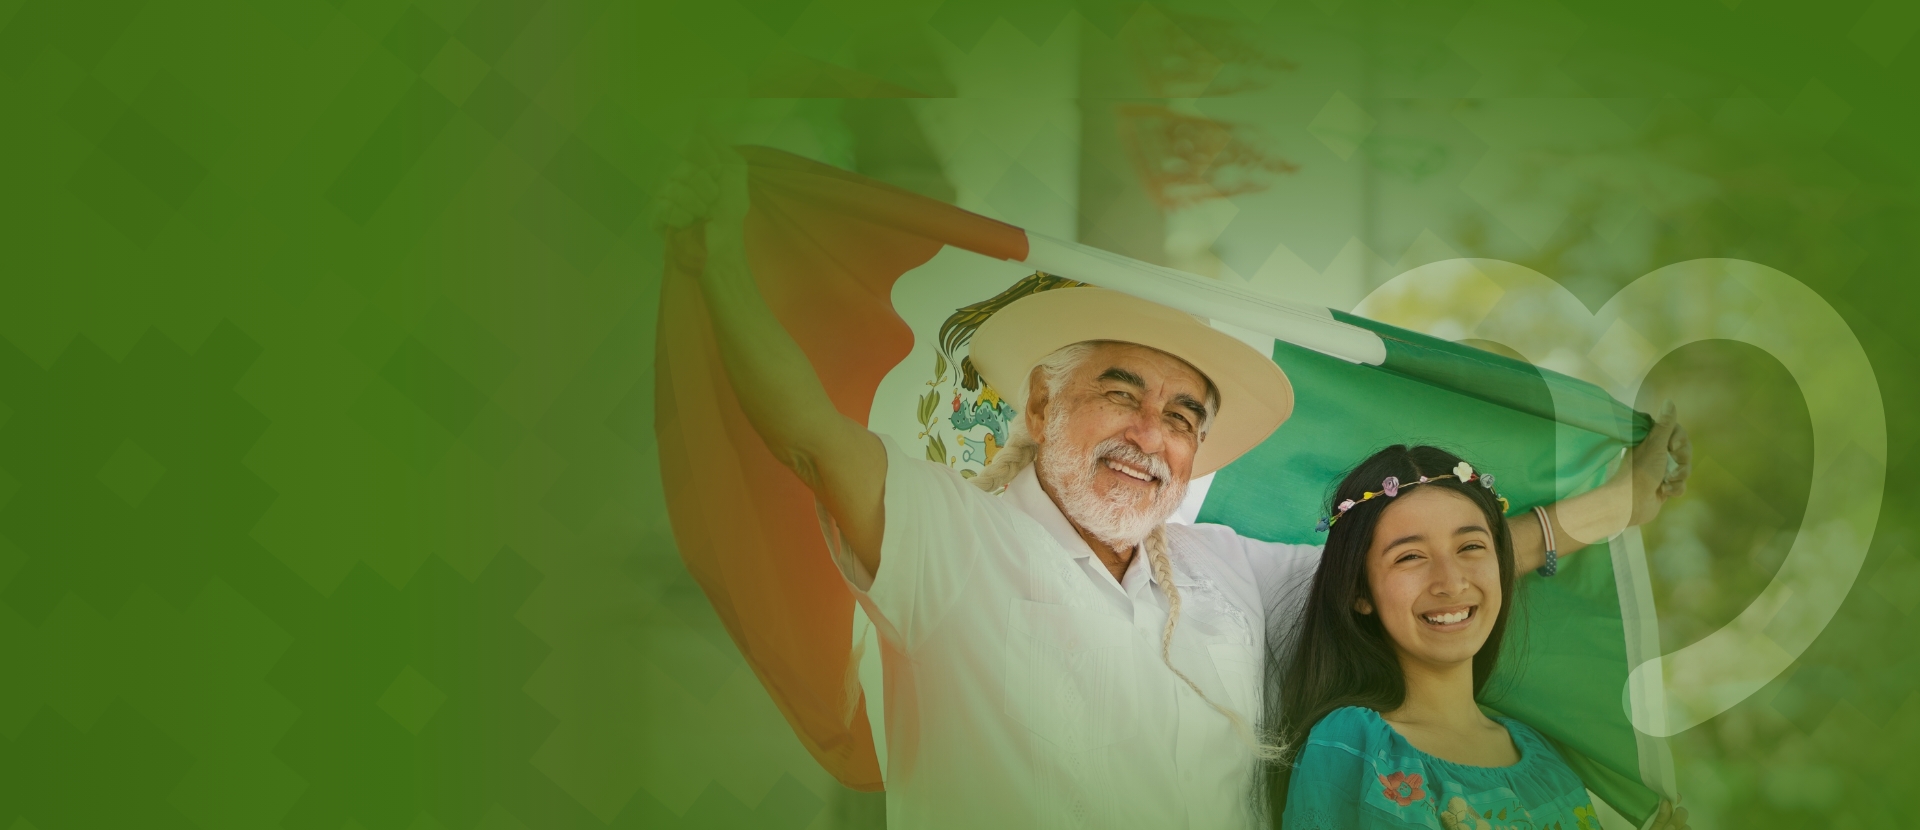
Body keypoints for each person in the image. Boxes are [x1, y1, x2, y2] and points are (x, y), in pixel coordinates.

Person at [652, 142, 1692, 829]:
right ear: (1044, 402)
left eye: (1184, 416)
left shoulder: (1227, 566)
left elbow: (1412, 567)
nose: (1152, 433)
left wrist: (1600, 511)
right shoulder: (945, 532)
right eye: (1121, 392)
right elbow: (803, 430)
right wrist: (715, 262)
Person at [1275, 445, 1688, 830]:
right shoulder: (1354, 743)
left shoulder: (1543, 757)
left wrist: (1625, 499)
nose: (1450, 582)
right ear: (1359, 591)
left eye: (1471, 546)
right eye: (1410, 556)